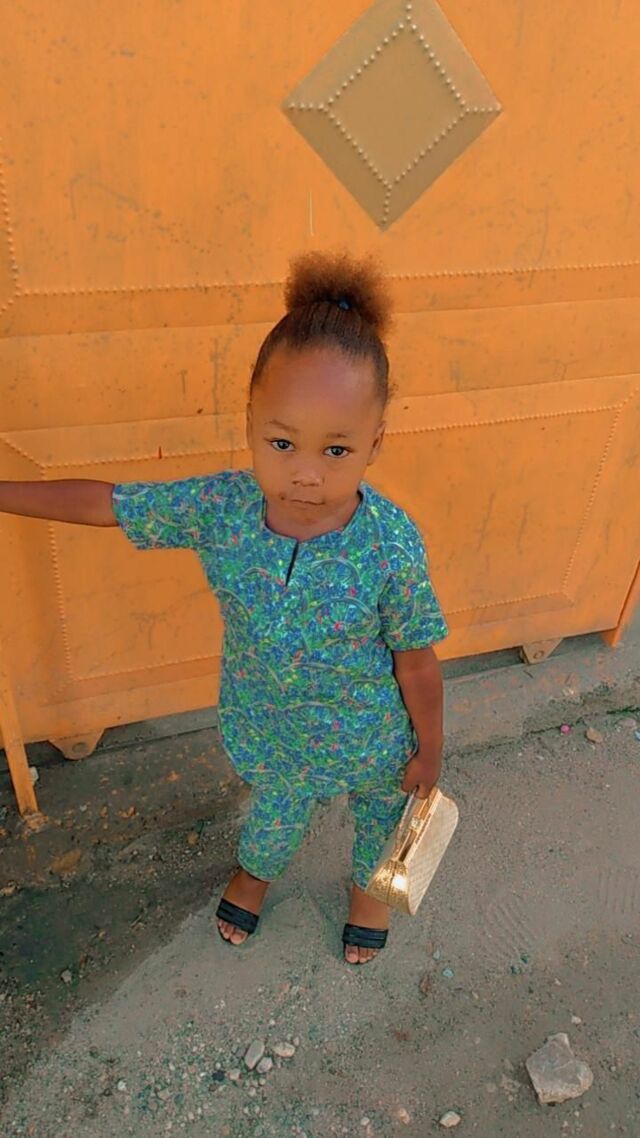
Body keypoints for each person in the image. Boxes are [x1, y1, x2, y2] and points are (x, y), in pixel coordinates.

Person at [0, 251, 448, 965]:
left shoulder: (391, 544)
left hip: (371, 739)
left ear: (375, 442)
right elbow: (109, 503)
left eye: (337, 450)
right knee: (274, 814)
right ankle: (254, 874)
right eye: (282, 442)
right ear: (249, 423)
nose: (306, 473)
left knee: (380, 818)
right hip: (272, 730)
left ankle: (368, 894)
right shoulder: (221, 508)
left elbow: (416, 660)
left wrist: (430, 749)